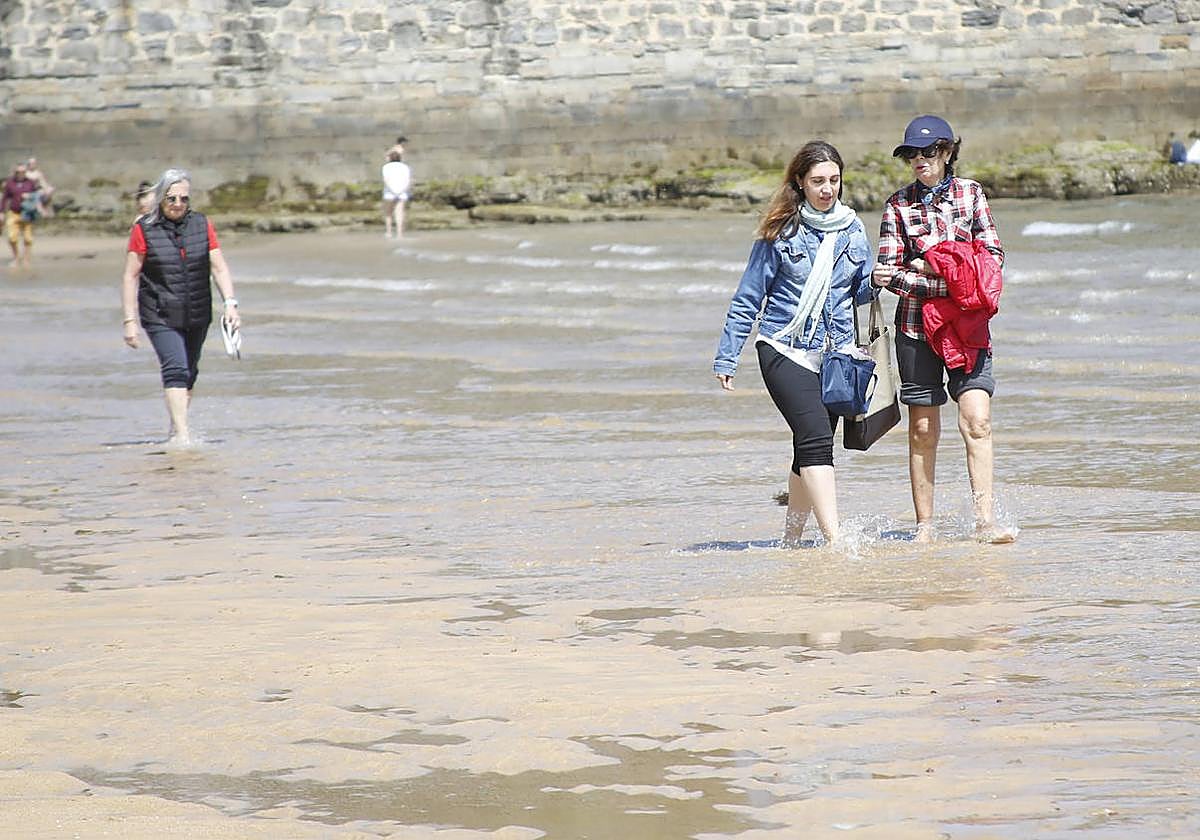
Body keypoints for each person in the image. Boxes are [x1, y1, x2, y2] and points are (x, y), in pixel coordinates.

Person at [714, 140, 875, 547]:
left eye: (834, 180)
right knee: (818, 438)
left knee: (807, 446)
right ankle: (836, 540)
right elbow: (749, 297)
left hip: (835, 353)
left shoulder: (853, 230)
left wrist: (880, 281)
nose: (827, 189)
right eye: (818, 181)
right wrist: (727, 356)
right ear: (800, 183)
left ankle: (792, 542)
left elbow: (858, 292)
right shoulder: (779, 232)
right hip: (784, 346)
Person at [872, 115, 1013, 544]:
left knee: (977, 420)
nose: (920, 160)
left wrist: (926, 266)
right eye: (911, 154)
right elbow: (886, 275)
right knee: (922, 429)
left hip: (968, 329)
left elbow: (992, 260)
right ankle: (925, 529)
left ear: (948, 152)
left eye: (928, 152)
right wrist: (951, 276)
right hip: (915, 331)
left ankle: (985, 522)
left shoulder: (972, 194)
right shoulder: (897, 205)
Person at [120, 168, 240, 445]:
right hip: (159, 312)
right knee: (175, 368)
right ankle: (184, 437)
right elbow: (130, 276)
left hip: (197, 311)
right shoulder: (144, 229)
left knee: (190, 372)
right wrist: (129, 321)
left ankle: (176, 427)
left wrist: (231, 304)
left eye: (184, 199)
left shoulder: (201, 224)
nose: (178, 204)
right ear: (161, 198)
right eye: (172, 199)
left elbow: (218, 267)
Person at [1, 161, 39, 268]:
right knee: (12, 238)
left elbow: (37, 196)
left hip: (27, 213)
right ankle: (16, 257)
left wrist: (30, 196)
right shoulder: (10, 183)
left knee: (28, 238)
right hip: (13, 213)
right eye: (19, 172)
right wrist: (1, 212)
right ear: (15, 172)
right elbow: (4, 198)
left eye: (23, 171)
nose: (21, 173)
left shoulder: (30, 183)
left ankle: (26, 259)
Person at [381, 146, 411, 239]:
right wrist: (402, 191)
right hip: (402, 193)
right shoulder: (405, 167)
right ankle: (399, 234)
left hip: (389, 193)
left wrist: (393, 191)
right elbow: (408, 181)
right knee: (399, 213)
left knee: (388, 213)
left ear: (390, 158)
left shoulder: (386, 167)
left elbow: (385, 180)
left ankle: (389, 232)